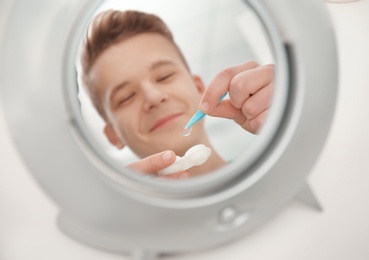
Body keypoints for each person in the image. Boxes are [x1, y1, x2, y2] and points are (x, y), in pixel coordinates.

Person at [79, 9, 274, 179]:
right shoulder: (124, 220)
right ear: (114, 136)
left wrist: (294, 120)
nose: (153, 97)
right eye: (126, 97)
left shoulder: (274, 170)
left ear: (199, 89)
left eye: (164, 76)